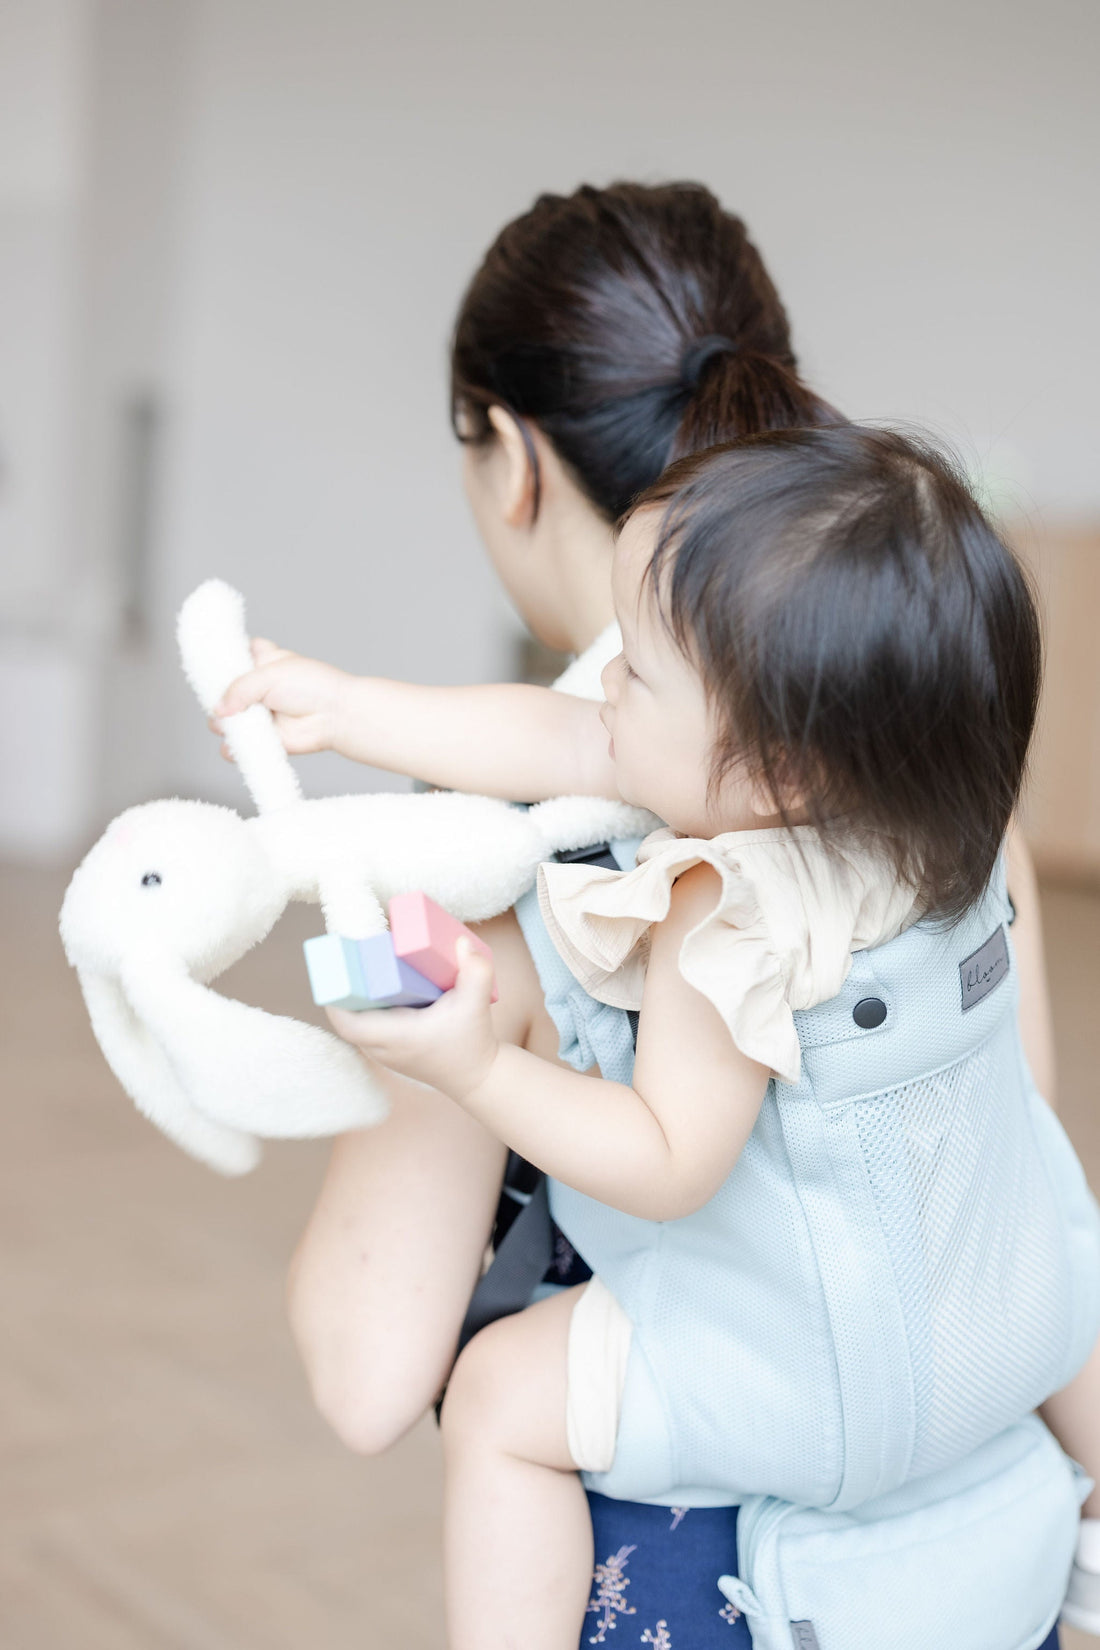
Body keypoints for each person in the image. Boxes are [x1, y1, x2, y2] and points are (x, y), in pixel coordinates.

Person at [212, 185, 1066, 1644]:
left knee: (500, 1399)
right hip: (984, 1522)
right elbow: (1013, 1174)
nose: (603, 694)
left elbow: (368, 1373)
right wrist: (349, 706)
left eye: (633, 679)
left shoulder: (629, 889)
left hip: (732, 1526)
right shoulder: (942, 820)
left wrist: (474, 1062)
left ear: (515, 458)